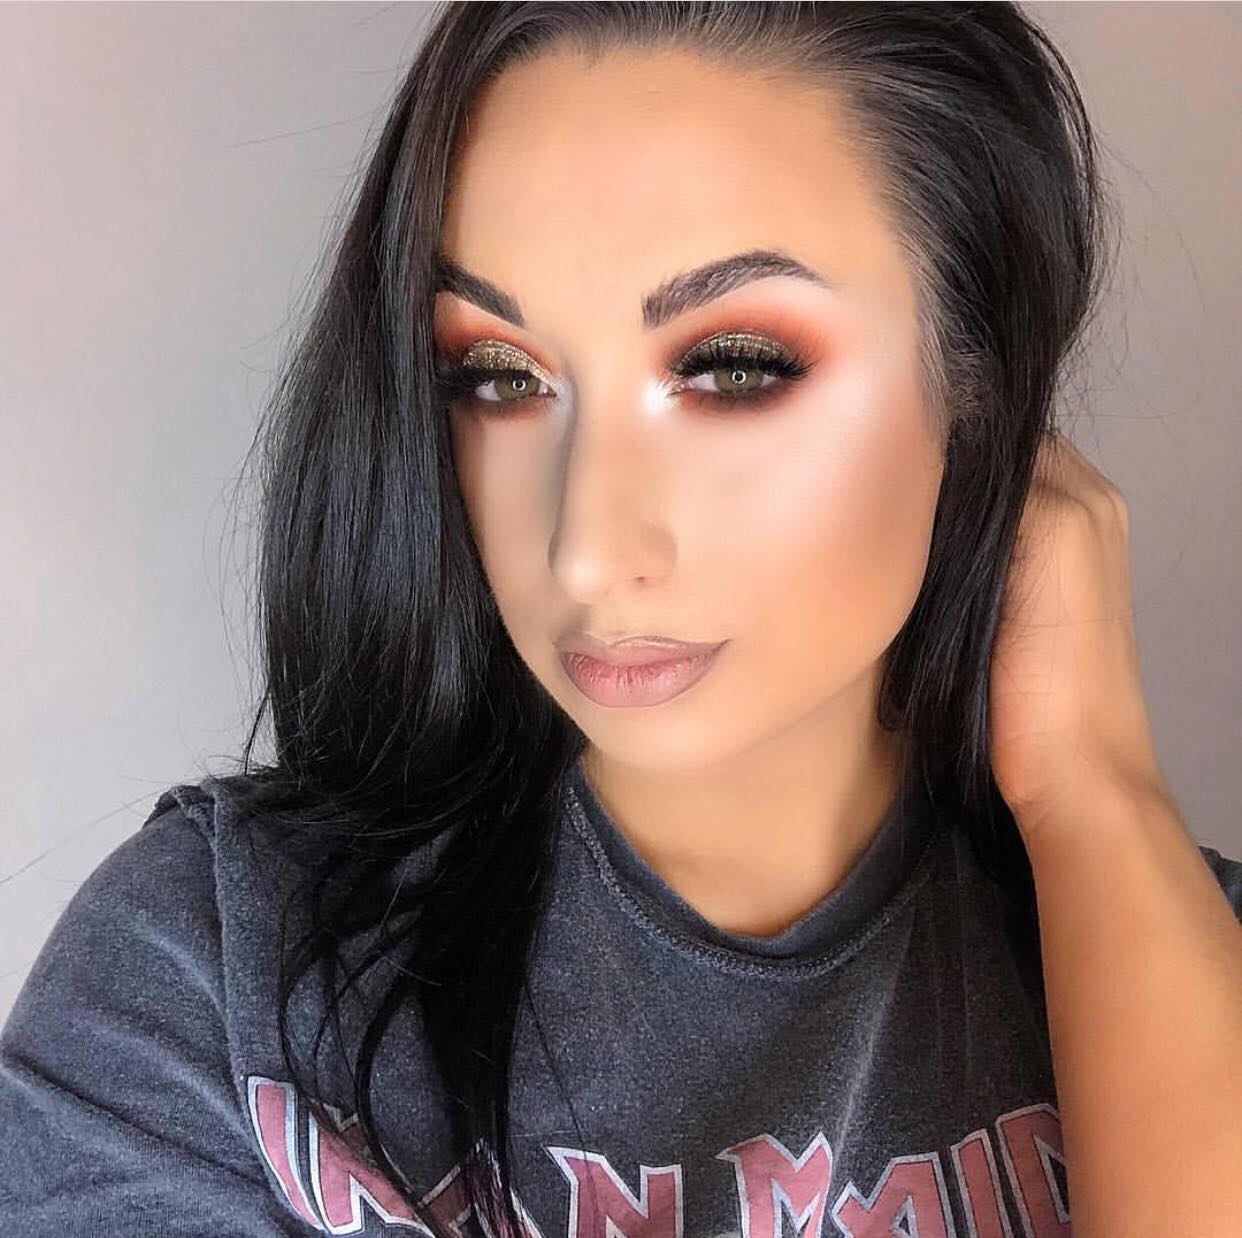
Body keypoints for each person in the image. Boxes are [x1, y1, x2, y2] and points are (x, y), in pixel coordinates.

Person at [3, 3, 1240, 1235]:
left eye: (735, 365)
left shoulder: (1189, 963)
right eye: (501, 375)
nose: (585, 546)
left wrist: (1096, 793)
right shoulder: (214, 981)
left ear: (977, 376)